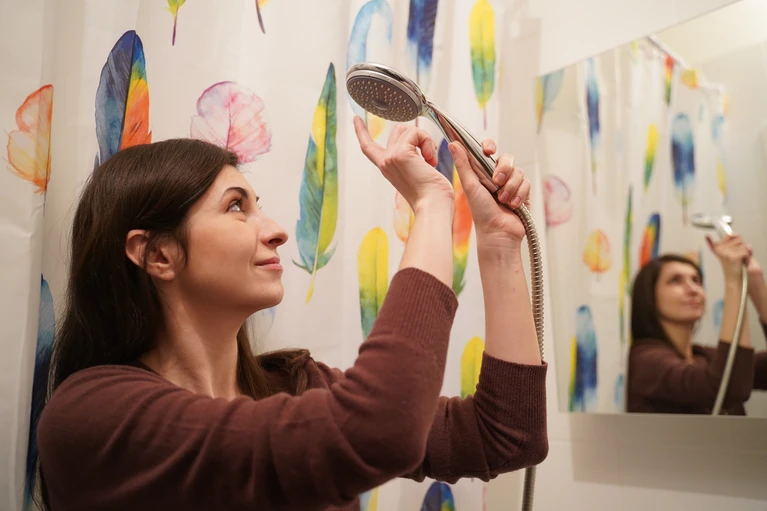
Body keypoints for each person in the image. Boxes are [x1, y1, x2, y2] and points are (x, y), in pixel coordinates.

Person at [35, 117, 548, 511]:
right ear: (157, 255)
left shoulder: (296, 385)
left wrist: (499, 245)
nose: (277, 230)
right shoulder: (95, 417)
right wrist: (433, 206)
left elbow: (507, 435)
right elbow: (381, 429)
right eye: (236, 207)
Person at [627, 235, 767, 415]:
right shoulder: (646, 361)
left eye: (696, 280)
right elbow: (728, 388)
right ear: (649, 296)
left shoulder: (704, 357)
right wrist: (734, 283)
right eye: (675, 280)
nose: (693, 289)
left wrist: (758, 289)